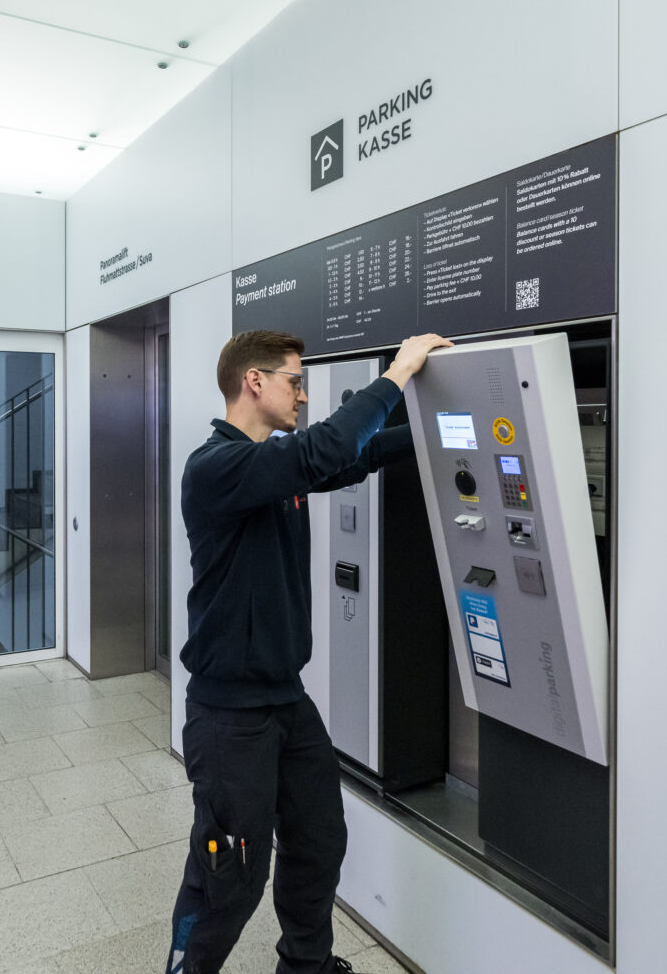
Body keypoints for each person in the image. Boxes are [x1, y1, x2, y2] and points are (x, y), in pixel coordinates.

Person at [166, 329, 453, 974]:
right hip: (229, 715)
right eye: (294, 382)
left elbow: (353, 455)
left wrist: (442, 430)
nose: (302, 395)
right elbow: (325, 448)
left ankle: (307, 967)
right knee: (229, 876)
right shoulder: (216, 468)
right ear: (255, 381)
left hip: (286, 704)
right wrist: (399, 371)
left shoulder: (273, 466)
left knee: (319, 841)